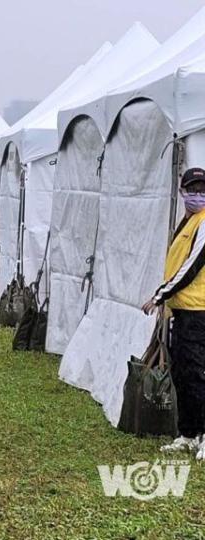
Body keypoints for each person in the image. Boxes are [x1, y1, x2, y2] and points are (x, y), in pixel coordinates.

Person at [143, 167, 205, 460]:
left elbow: (191, 266)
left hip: (199, 312)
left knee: (199, 374)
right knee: (183, 374)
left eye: (202, 190)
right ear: (182, 192)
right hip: (182, 312)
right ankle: (188, 433)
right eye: (192, 189)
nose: (197, 195)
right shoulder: (188, 222)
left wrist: (160, 295)